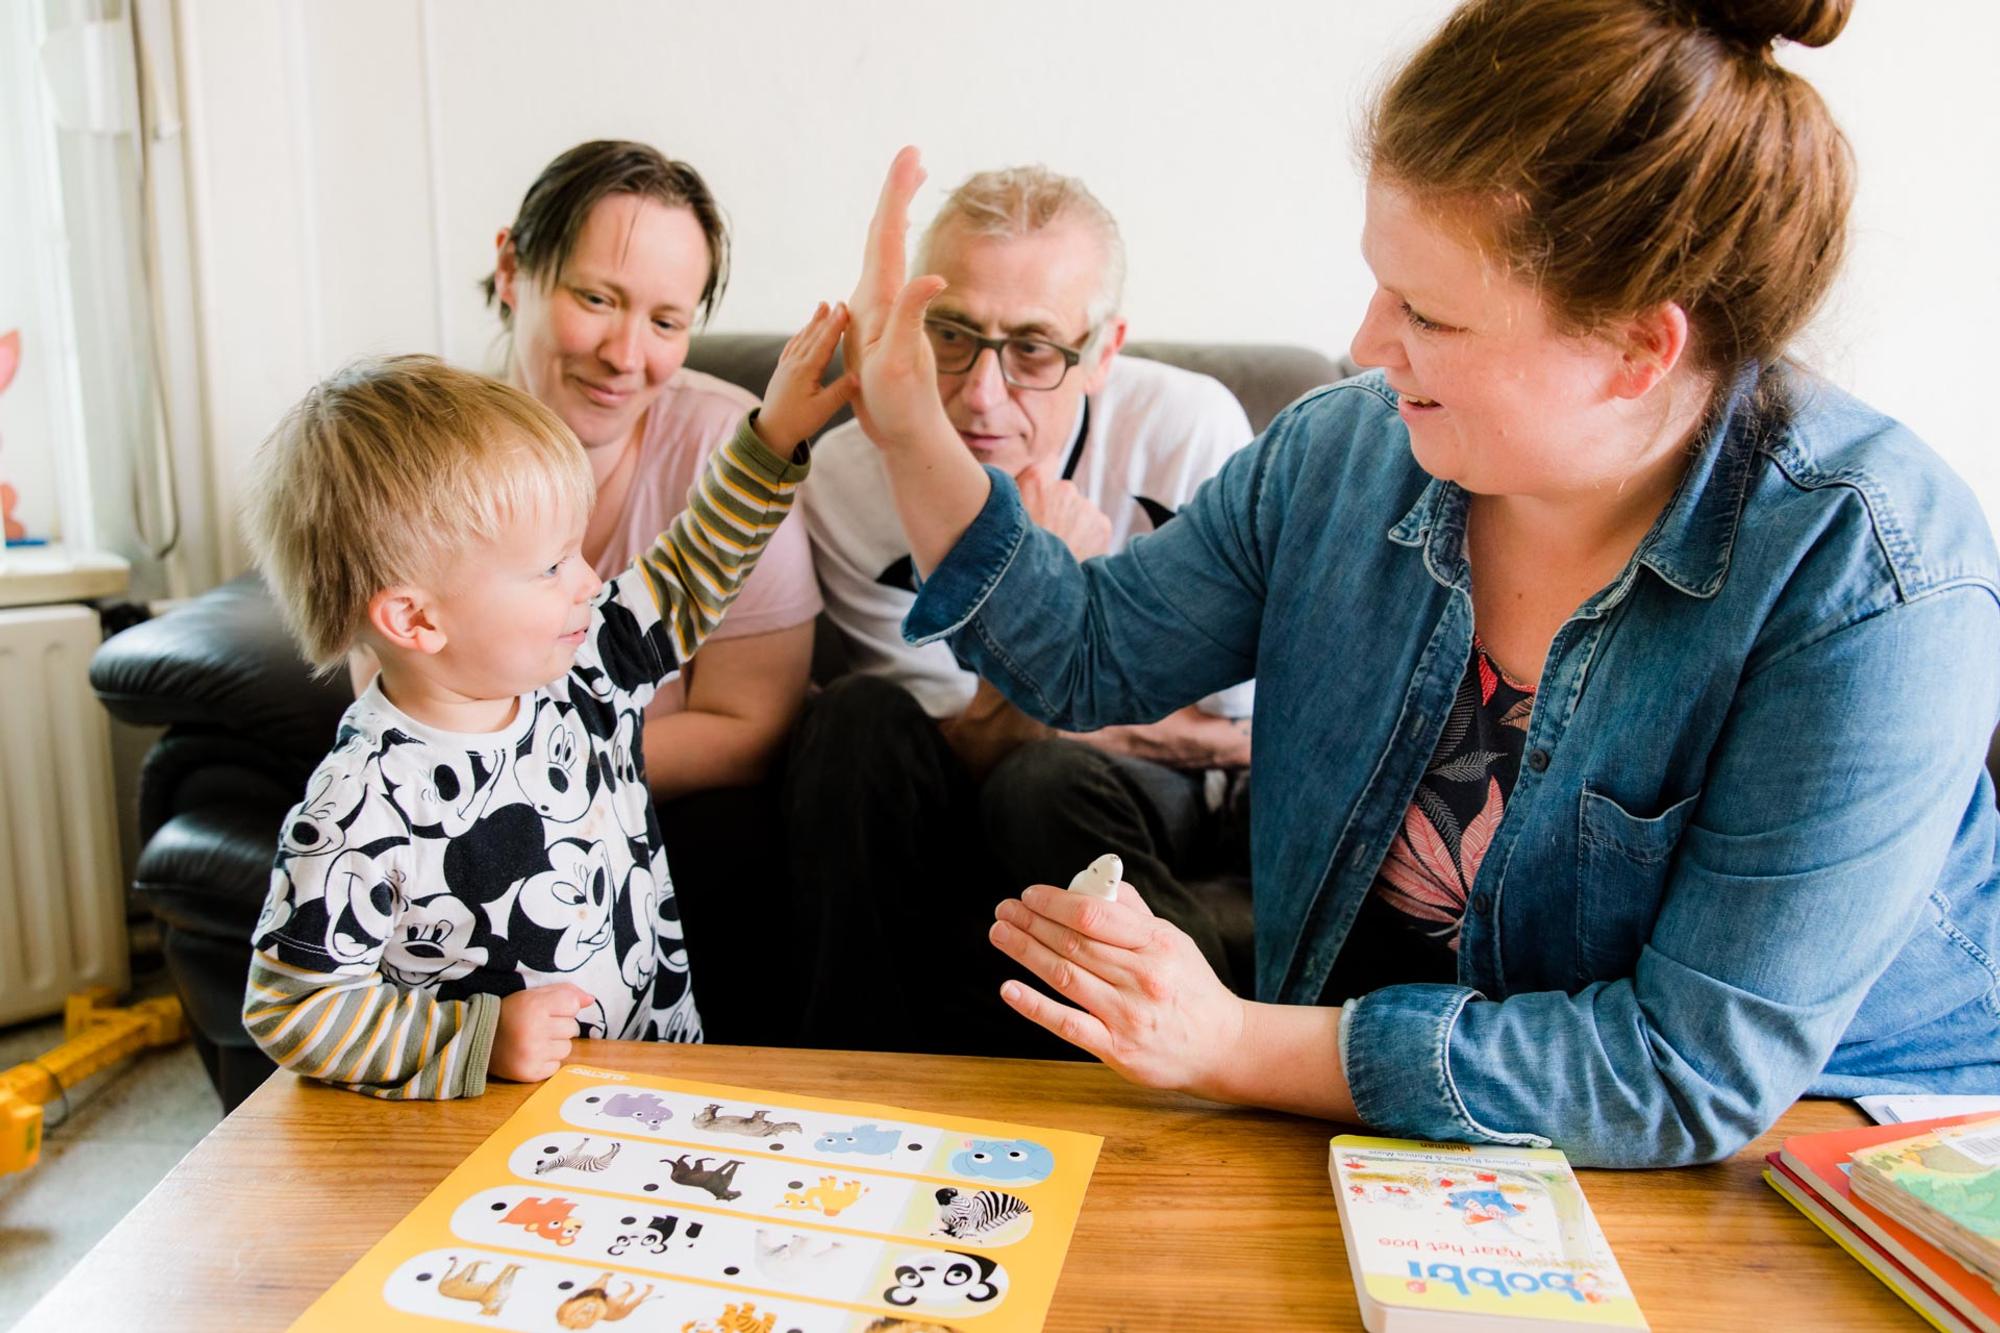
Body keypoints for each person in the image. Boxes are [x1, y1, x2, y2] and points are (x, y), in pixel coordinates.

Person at [840, 0, 2000, 1167]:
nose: (1362, 340)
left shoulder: (1874, 576)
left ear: (1636, 350)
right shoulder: (1342, 456)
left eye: (1427, 313)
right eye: (1378, 284)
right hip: (1398, 1141)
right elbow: (1083, 655)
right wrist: (910, 431)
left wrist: (1226, 1040)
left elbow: (1679, 1072)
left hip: (1832, 1155)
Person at [239, 309, 848, 1098]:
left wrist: (771, 439)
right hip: (504, 1144)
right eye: (552, 565)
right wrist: (477, 1038)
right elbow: (293, 1006)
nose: (591, 581)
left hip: (659, 1079)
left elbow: (691, 565)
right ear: (416, 618)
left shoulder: (583, 671)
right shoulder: (360, 806)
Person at [788, 164, 1256, 1052]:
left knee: (1039, 783)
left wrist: (1048, 650)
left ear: (1105, 350)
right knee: (853, 723)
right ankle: (847, 1081)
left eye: (1035, 350)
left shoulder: (1190, 430)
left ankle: (1179, 1081)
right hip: (936, 784)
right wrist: (1046, 592)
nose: (979, 395)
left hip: (1123, 799)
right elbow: (951, 747)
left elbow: (1242, 735)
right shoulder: (848, 474)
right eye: (953, 334)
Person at [486, 141, 825, 1043]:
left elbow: (748, 724)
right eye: (595, 298)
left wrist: (546, 772)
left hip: (679, 834)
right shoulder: (423, 459)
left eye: (667, 321)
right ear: (514, 267)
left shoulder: (721, 449)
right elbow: (399, 698)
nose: (623, 354)